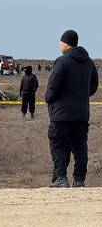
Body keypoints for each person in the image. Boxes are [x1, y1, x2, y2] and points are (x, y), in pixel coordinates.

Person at [45, 30, 99, 188]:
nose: (59, 44)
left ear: (66, 43)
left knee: (59, 146)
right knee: (80, 147)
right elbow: (94, 85)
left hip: (61, 114)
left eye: (61, 41)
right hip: (81, 114)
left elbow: (53, 85)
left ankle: (61, 178)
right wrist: (81, 96)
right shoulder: (88, 62)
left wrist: (49, 98)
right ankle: (80, 180)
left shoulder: (62, 61)